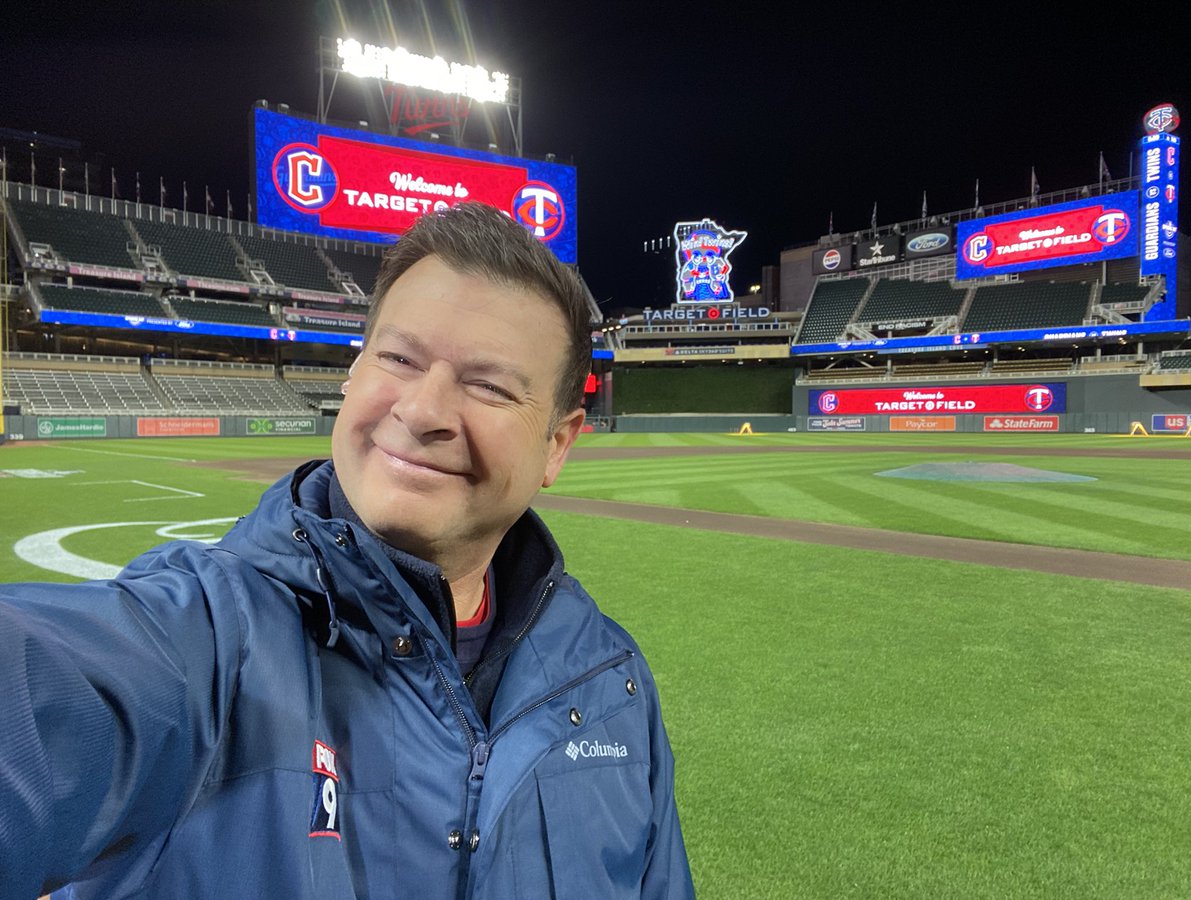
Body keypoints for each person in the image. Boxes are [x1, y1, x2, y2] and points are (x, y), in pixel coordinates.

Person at [0, 202, 694, 899]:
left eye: (487, 385)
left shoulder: (612, 684)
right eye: (398, 358)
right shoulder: (207, 634)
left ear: (558, 442)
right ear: (353, 374)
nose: (422, 412)